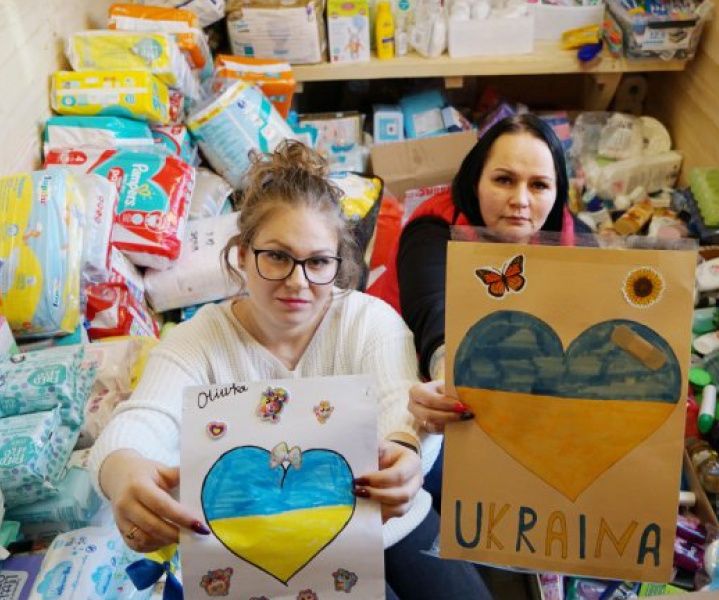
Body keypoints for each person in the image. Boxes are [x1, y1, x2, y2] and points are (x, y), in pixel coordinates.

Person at [89, 140, 493, 600]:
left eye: (319, 261)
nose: (298, 281)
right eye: (277, 256)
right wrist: (124, 473)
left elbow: (397, 406)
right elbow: (143, 420)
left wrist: (404, 454)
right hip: (263, 557)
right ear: (242, 255)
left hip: (392, 523)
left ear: (338, 264)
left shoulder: (367, 320)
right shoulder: (197, 342)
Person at [368, 114, 584, 504]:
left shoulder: (572, 237)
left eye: (539, 185)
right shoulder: (432, 231)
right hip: (418, 375)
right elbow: (434, 311)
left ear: (557, 192)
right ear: (475, 180)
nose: (521, 200)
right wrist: (452, 376)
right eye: (504, 180)